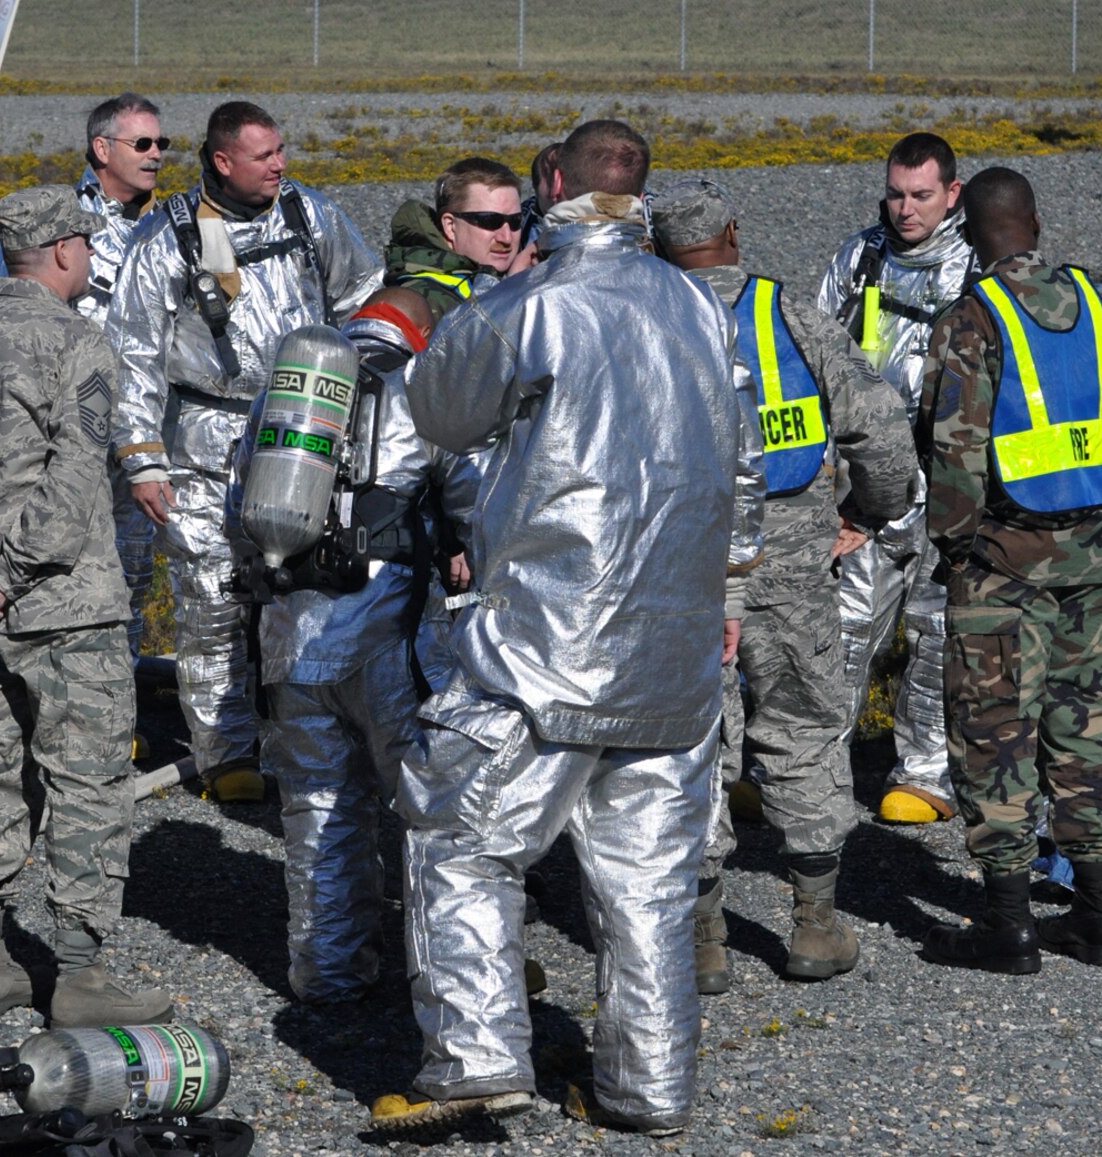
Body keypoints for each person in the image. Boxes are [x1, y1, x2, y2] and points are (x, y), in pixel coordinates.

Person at [371, 121, 753, 1138]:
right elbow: (740, 461)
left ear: (549, 186)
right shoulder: (703, 305)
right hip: (671, 656)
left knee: (456, 835)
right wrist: (730, 598)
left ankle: (473, 1058)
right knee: (646, 884)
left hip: (544, 647)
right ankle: (647, 1088)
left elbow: (440, 412)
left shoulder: (526, 305)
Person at [0, 186, 172, 1026]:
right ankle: (79, 974)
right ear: (60, 251)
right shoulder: (79, 344)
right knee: (86, 781)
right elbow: (78, 476)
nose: (88, 257)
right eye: (83, 243)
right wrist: (6, 574)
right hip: (62, 605)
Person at [649, 179, 916, 991]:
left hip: (684, 566)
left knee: (693, 741)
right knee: (804, 727)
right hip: (797, 562)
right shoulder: (790, 314)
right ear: (732, 232)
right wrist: (875, 512)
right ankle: (815, 923)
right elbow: (878, 426)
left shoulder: (647, 321)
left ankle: (702, 936)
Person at [916, 168, 1102, 973]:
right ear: (1037, 222)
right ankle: (1095, 917)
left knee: (995, 734)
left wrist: (954, 546)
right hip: (1094, 549)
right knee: (1087, 723)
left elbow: (953, 449)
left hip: (1002, 560)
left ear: (970, 234)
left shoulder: (972, 320)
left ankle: (1009, 926)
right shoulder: (1094, 304)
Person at [110, 100, 382, 803]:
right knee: (212, 595)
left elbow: (364, 299)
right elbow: (133, 354)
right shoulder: (166, 238)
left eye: (282, 151)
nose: (281, 164)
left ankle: (306, 735)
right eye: (265, 156)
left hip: (305, 426)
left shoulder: (309, 216)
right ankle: (224, 752)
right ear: (223, 161)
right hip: (205, 439)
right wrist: (142, 456)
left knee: (306, 587)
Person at [232, 287, 463, 1004]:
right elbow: (474, 501)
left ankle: (327, 971)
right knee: (436, 810)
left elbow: (236, 508)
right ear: (420, 332)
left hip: (288, 643)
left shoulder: (284, 399)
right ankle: (449, 980)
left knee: (316, 807)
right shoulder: (421, 389)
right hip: (388, 641)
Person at [816, 131, 976, 825]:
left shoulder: (977, 266)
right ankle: (812, 765)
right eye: (895, 194)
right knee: (843, 627)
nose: (905, 209)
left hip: (949, 483)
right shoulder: (859, 259)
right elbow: (816, 350)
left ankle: (926, 773)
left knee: (938, 632)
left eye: (921, 196)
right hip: (866, 482)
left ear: (952, 194)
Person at [0, 92, 166, 658]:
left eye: (162, 143)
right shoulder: (54, 220)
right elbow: (8, 311)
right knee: (58, 571)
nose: (156, 154)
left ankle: (121, 707)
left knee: (131, 581)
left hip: (144, 440)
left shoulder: (173, 226)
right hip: (63, 437)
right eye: (143, 143)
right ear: (101, 148)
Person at [385, 158, 526, 326]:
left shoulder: (514, 279)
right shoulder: (422, 303)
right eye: (489, 221)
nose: (506, 238)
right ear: (450, 226)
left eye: (516, 221)